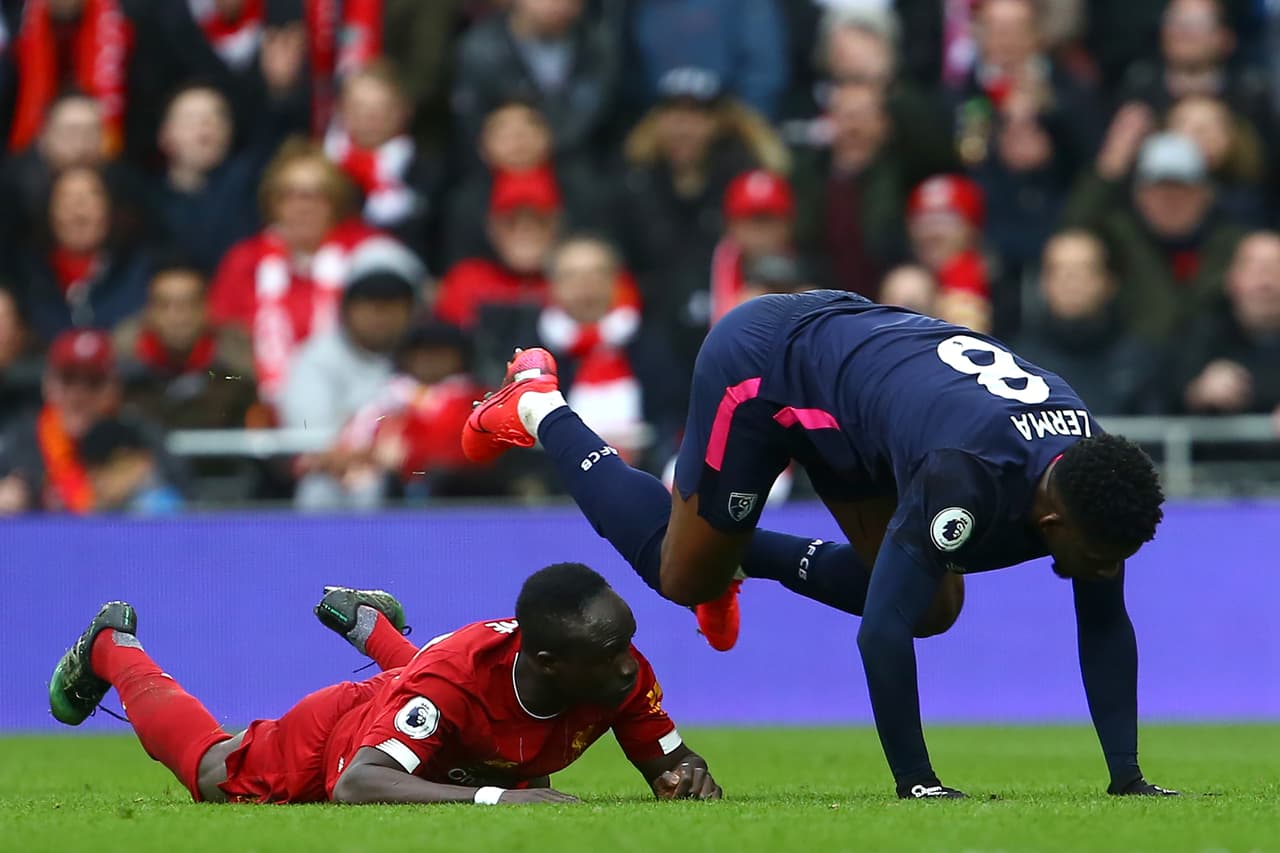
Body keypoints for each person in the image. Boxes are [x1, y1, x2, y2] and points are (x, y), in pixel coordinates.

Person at [462, 290, 1175, 800]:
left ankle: (739, 557)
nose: (1107, 570)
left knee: (931, 604)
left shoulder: (1087, 476)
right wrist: (918, 783)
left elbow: (1105, 619)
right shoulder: (968, 479)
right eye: (1103, 556)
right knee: (681, 574)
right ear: (1052, 522)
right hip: (767, 366)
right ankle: (535, 404)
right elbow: (880, 632)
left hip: (861, 397)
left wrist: (1128, 776)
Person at [48, 566, 723, 804]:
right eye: (610, 654)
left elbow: (669, 760)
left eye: (626, 643)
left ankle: (367, 621)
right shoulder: (454, 679)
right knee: (216, 773)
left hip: (429, 696)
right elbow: (359, 783)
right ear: (548, 660)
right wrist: (498, 801)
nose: (631, 667)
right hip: (344, 733)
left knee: (437, 705)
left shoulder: (614, 669)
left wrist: (687, 775)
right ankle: (113, 647)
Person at [207, 139, 407, 402]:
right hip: (260, 403)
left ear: (335, 204)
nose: (303, 206)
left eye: (316, 195)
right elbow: (226, 337)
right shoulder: (245, 261)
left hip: (359, 400)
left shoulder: (369, 254)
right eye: (288, 195)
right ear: (272, 204)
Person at [1063, 124, 1246, 344]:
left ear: (1204, 195)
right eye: (1159, 191)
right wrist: (1108, 170)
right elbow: (1071, 233)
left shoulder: (1235, 246)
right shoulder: (1119, 237)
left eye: (1181, 190)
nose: (1170, 201)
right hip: (1129, 365)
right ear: (1139, 196)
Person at [280, 267, 418, 510]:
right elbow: (312, 444)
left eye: (392, 308)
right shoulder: (316, 358)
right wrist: (370, 456)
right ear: (345, 312)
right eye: (371, 307)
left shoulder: (426, 354)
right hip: (335, 475)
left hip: (411, 471)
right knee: (339, 485)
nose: (381, 318)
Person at [452, 0, 618, 166]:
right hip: (494, 172)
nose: (559, 4)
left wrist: (545, 141)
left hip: (582, 169)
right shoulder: (479, 48)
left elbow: (596, 114)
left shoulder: (596, 44)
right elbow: (470, 120)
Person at [1011, 231, 1161, 415]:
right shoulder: (1016, 363)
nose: (1070, 281)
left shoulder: (1141, 361)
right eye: (1058, 270)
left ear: (1108, 281)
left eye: (1084, 270)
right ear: (1043, 283)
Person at [114, 264, 257, 431]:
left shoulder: (237, 370)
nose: (177, 318)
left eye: (188, 305)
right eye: (165, 306)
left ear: (207, 309)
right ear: (149, 312)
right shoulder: (122, 369)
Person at [0, 328, 120, 515]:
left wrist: (143, 489)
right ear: (48, 384)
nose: (78, 395)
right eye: (68, 378)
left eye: (93, 381)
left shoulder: (137, 442)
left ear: (112, 390)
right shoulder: (14, 445)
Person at [1173, 231, 1280, 416]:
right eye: (1255, 269)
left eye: (1276, 270)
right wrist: (1196, 392)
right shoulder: (1200, 332)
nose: (1265, 283)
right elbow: (1162, 393)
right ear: (1231, 279)